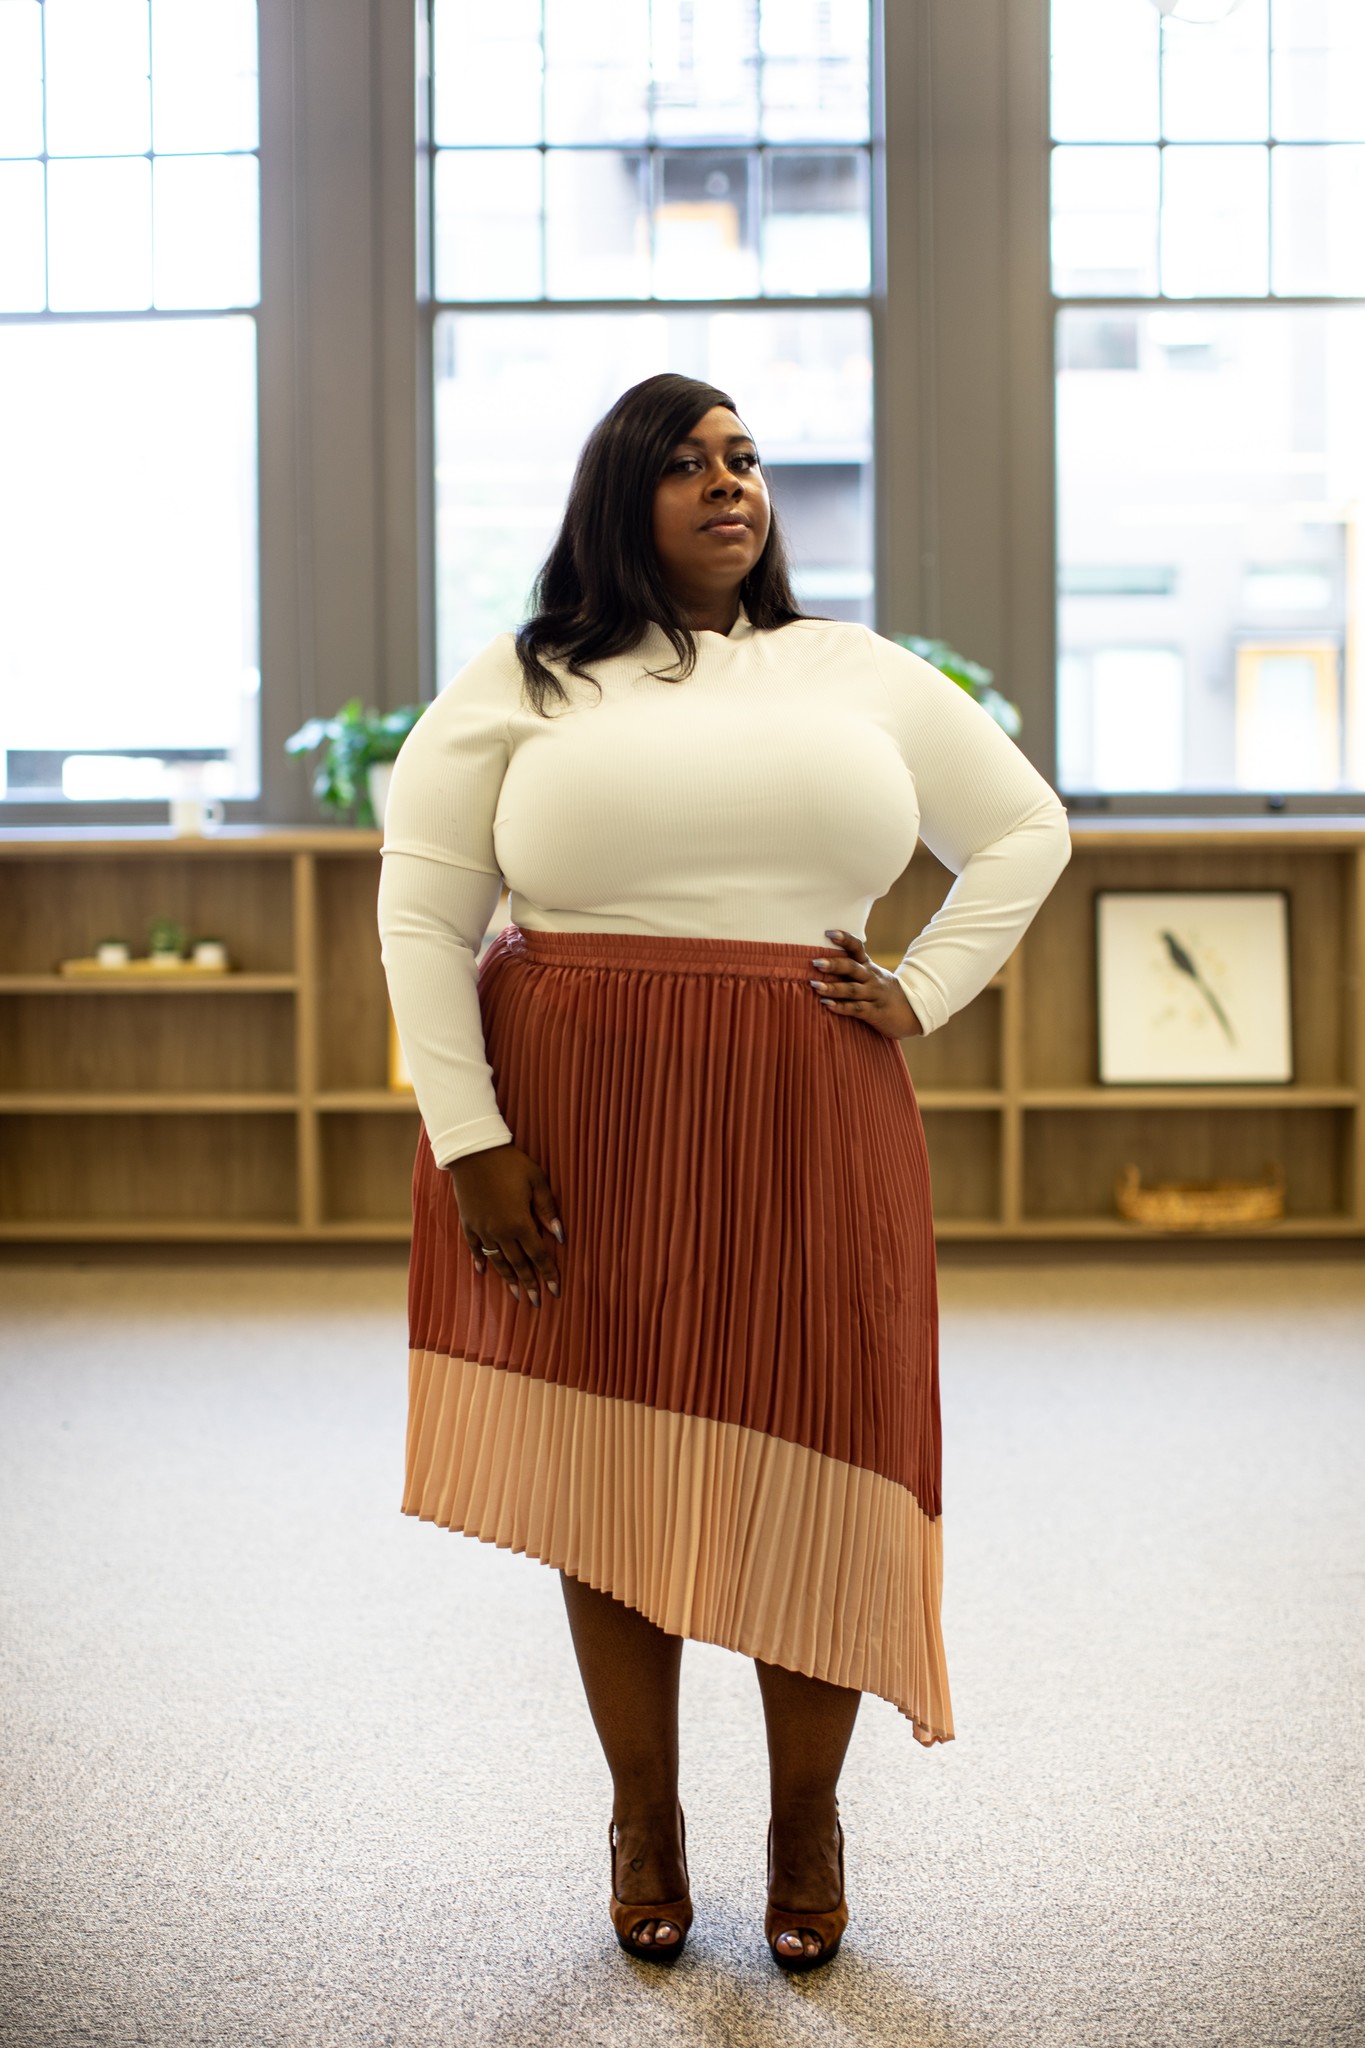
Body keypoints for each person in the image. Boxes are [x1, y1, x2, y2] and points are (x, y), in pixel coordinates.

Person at [377, 372, 1070, 1972]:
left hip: (804, 1099)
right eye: (684, 463)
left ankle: (807, 1821)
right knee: (606, 1467)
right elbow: (423, 920)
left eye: (743, 459)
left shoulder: (857, 670)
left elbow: (1023, 830)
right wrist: (469, 1140)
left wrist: (925, 984)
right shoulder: (522, 680)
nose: (727, 483)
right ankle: (643, 1815)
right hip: (574, 1108)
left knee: (817, 1445)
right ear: (618, 500)